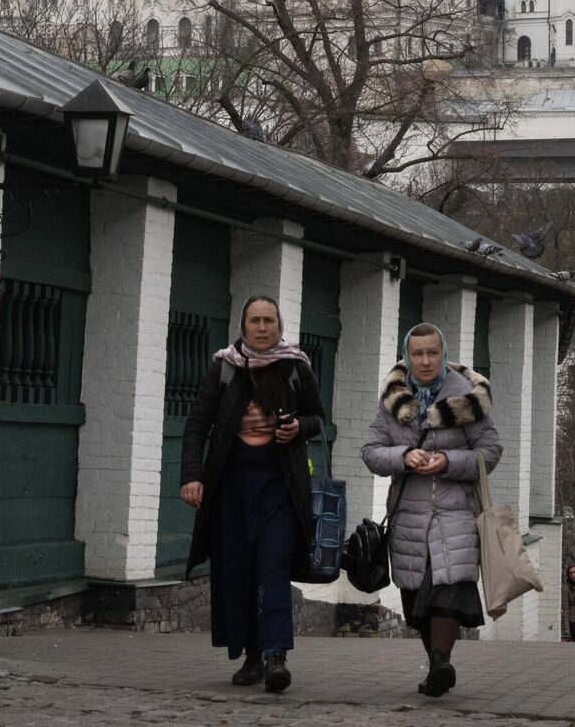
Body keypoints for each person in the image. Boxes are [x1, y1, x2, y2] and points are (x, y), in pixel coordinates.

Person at [180, 295, 327, 693]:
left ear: (280, 327)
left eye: (269, 321)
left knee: (272, 566)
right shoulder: (224, 368)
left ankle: (277, 654)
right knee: (238, 570)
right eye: (255, 321)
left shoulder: (295, 368)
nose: (262, 328)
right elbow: (196, 425)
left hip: (280, 487)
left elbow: (320, 418)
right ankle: (252, 654)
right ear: (243, 327)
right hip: (230, 488)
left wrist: (299, 426)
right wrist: (192, 476)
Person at [361, 323, 501, 698]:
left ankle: (441, 661)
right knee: (416, 599)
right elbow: (371, 451)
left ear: (443, 354)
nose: (425, 361)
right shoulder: (394, 400)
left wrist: (448, 461)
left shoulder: (467, 400)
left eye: (432, 353)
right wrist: (404, 456)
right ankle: (437, 663)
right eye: (418, 353)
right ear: (408, 356)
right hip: (409, 517)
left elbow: (490, 453)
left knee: (448, 591)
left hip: (455, 514)